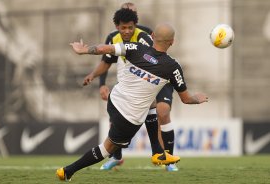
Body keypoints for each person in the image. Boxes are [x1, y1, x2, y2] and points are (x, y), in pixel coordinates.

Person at [56, 22, 208, 181]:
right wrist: (198, 98)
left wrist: (84, 50)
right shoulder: (173, 67)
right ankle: (67, 171)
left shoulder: (135, 47)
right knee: (107, 148)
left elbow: (104, 49)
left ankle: (157, 152)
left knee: (152, 103)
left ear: (152, 37)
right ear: (172, 42)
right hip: (128, 118)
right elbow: (186, 99)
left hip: (113, 101)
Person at [99, 2, 178, 171]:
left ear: (135, 19)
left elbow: (159, 56)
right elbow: (106, 61)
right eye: (124, 24)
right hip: (132, 85)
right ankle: (117, 157)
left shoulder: (146, 35)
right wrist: (100, 82)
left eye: (131, 21)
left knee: (161, 111)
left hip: (154, 80)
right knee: (115, 120)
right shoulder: (114, 36)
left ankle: (166, 158)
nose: (127, 29)